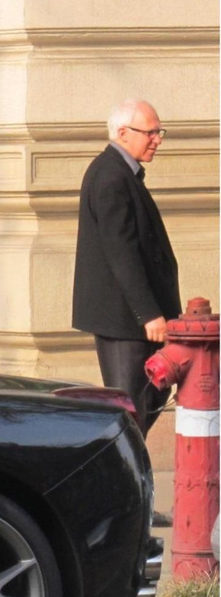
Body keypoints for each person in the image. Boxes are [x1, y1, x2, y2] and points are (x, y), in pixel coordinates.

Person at [72, 98, 180, 438]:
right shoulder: (110, 176)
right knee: (129, 412)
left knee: (149, 397)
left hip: (131, 320)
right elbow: (122, 252)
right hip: (125, 321)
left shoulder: (122, 173)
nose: (157, 139)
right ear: (123, 133)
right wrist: (148, 313)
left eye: (159, 132)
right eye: (150, 132)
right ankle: (122, 485)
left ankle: (129, 479)